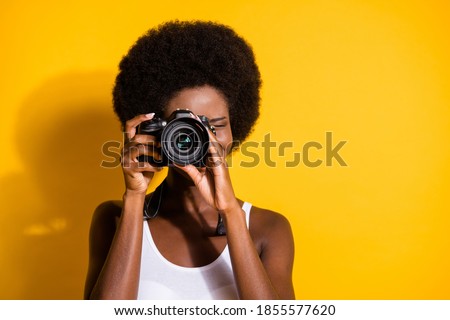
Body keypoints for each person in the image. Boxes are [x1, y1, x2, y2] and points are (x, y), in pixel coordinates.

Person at [84, 20, 295, 300]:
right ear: (156, 130)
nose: (202, 139)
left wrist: (231, 212)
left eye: (214, 125)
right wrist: (135, 199)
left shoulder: (269, 228)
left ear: (236, 127)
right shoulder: (113, 218)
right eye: (184, 128)